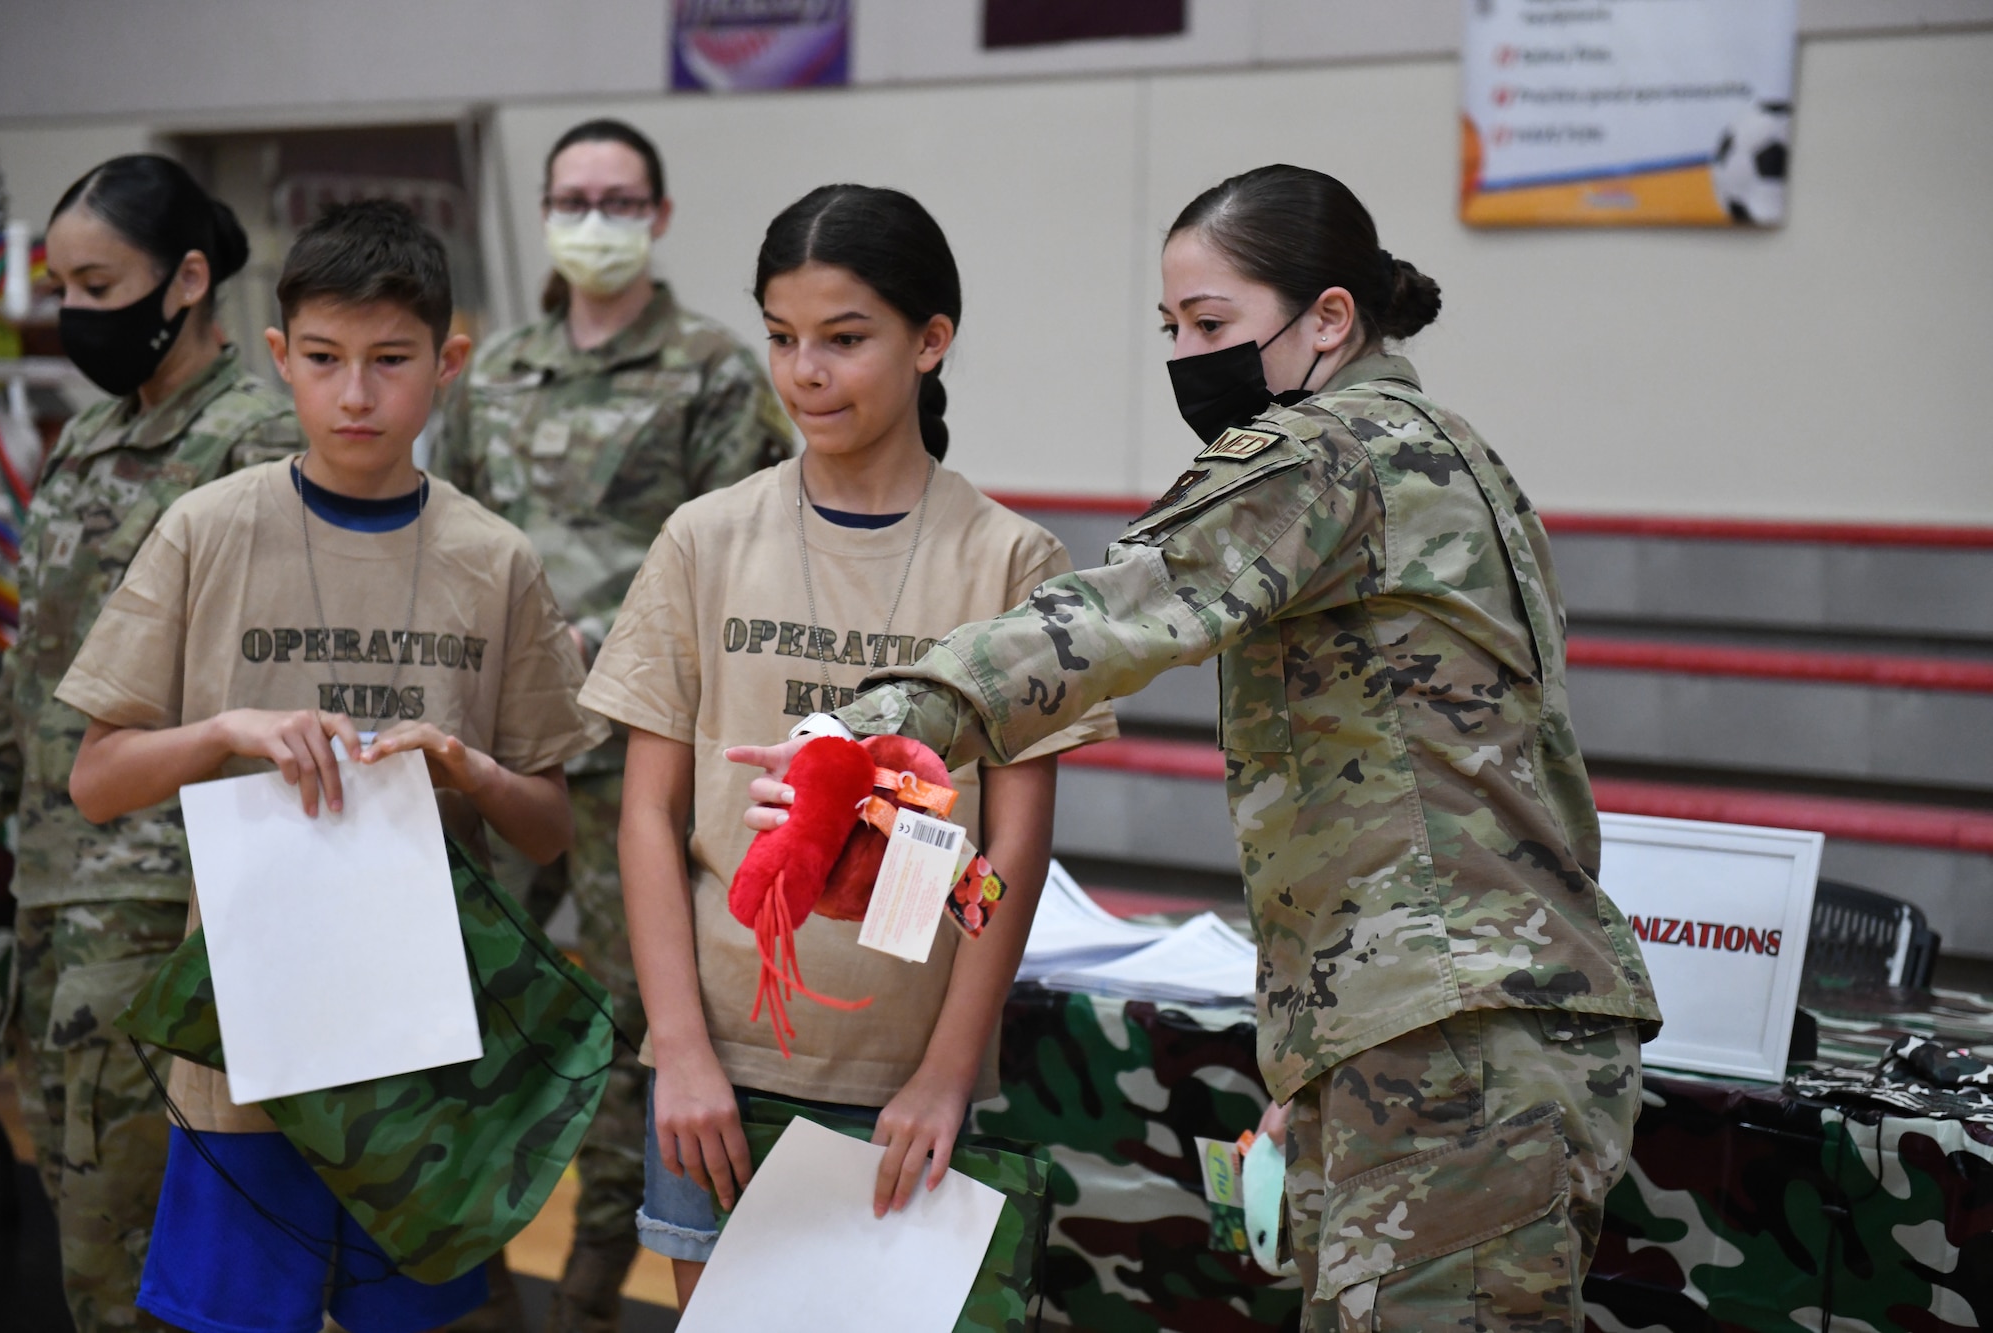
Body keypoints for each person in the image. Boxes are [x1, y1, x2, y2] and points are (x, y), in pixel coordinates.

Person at [733, 165, 1662, 1332]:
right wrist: (1327, 1062)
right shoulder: (1455, 456)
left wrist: (865, 726)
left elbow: (1122, 605)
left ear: (1328, 317)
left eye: (1211, 324)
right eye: (1169, 327)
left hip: (1450, 1044)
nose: (1183, 354)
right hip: (1454, 1028)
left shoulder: (1327, 449)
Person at [55, 199, 607, 1333]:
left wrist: (464, 765)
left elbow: (548, 824)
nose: (356, 394)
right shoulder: (206, 530)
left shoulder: (491, 560)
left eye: (390, 361)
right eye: (323, 360)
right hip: (244, 1058)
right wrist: (224, 731)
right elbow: (95, 778)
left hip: (422, 1065)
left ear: (447, 363)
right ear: (280, 358)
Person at [577, 184, 1114, 1309]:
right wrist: (675, 1050)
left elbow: (1013, 840)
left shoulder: (1008, 562)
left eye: (844, 338)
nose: (804, 370)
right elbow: (645, 817)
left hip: (906, 1083)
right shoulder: (703, 539)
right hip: (716, 1073)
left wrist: (944, 1073)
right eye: (780, 337)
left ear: (930, 341)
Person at [429, 118, 790, 1331]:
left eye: (619, 198)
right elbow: (456, 544)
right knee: (478, 1007)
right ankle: (477, 1279)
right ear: (542, 211)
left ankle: (593, 1289)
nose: (596, 217)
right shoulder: (492, 371)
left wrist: (601, 629)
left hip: (638, 746)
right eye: (574, 197)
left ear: (660, 215)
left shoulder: (716, 369)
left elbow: (739, 564)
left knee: (635, 1018)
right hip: (502, 743)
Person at [0, 153, 300, 1332]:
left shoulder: (254, 446)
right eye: (59, 283)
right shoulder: (88, 437)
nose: (74, 310)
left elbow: (266, 679)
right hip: (60, 885)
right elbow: (44, 666)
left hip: (169, 897)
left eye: (97, 280)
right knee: (85, 1232)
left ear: (182, 280)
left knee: (155, 1256)